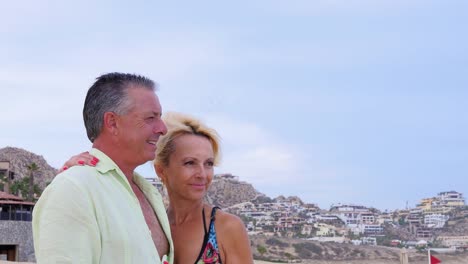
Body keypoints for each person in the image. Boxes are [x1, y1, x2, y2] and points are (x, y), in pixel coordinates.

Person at [61, 112, 254, 264]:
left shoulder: (226, 228)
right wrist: (74, 174)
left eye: (209, 163)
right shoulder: (148, 221)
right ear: (161, 170)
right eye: (189, 163)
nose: (202, 174)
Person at [32, 73, 174, 264]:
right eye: (151, 118)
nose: (163, 128)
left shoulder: (149, 193)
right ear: (112, 122)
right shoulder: (73, 189)